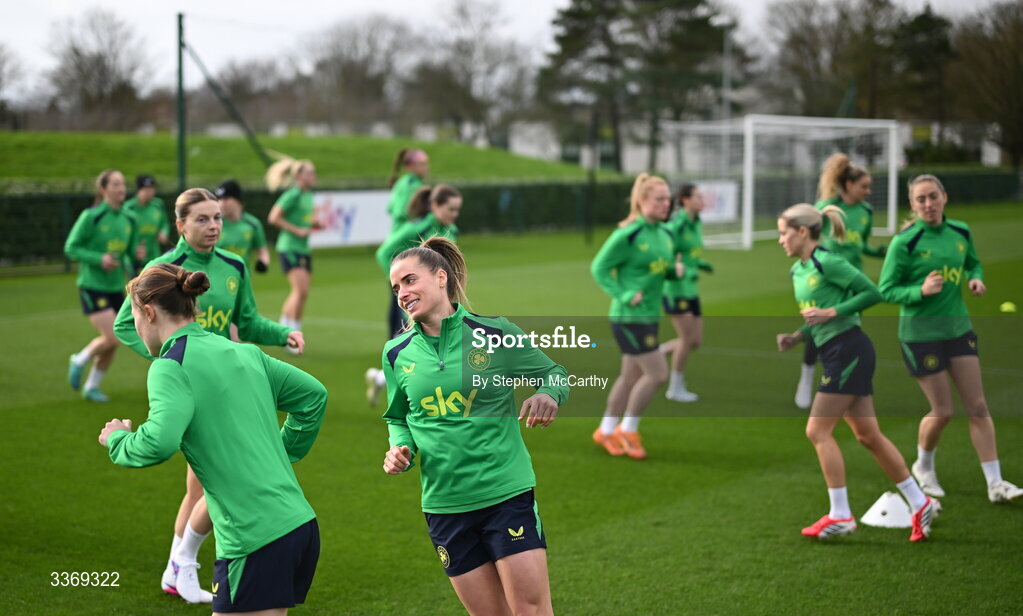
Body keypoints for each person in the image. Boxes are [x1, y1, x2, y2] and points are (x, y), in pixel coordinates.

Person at [99, 263, 326, 615]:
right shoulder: (244, 352)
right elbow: (313, 397)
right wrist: (284, 453)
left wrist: (118, 439)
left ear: (148, 312)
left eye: (134, 317)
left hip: (254, 536)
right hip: (299, 524)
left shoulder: (170, 365)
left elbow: (158, 443)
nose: (135, 328)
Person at [113, 187, 303, 603]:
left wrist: (282, 333)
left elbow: (247, 321)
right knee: (207, 485)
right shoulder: (161, 272)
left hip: (228, 384)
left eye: (217, 217)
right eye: (202, 218)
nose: (214, 225)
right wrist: (171, 364)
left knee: (205, 485)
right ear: (179, 225)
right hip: (195, 389)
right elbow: (125, 326)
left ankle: (178, 566)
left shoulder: (234, 265)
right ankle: (182, 565)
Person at [381, 236, 567, 616]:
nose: (402, 293)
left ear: (440, 278)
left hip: (505, 495)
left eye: (410, 281)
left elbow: (555, 374)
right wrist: (401, 449)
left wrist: (549, 394)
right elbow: (399, 417)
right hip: (444, 506)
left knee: (530, 611)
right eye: (396, 287)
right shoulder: (395, 353)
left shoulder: (494, 333)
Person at [775, 203, 937, 541]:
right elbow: (814, 317)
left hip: (849, 351)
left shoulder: (828, 262)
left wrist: (832, 312)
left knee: (817, 431)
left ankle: (841, 515)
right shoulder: (797, 271)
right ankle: (920, 503)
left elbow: (872, 292)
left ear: (803, 232)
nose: (780, 240)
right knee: (868, 436)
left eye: (784, 232)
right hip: (835, 352)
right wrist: (797, 336)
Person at [878, 174, 1023, 504]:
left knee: (978, 405)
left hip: (958, 329)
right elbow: (885, 290)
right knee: (943, 410)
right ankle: (923, 466)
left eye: (933, 196)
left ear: (945, 196)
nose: (928, 204)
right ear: (912, 205)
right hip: (920, 336)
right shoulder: (906, 243)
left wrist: (976, 279)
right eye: (920, 200)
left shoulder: (961, 231)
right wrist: (920, 290)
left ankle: (995, 483)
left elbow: (973, 263)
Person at [590, 173, 682, 460]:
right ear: (642, 201)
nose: (666, 204)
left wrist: (671, 271)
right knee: (657, 374)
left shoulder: (666, 234)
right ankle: (628, 430)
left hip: (648, 315)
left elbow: (658, 267)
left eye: (668, 198)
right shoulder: (627, 235)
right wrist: (625, 294)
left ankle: (605, 430)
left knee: (630, 375)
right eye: (659, 199)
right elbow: (599, 268)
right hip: (629, 317)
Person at [794, 154, 887, 409]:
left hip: (852, 278)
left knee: (845, 329)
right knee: (818, 327)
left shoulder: (866, 212)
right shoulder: (827, 208)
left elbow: (860, 245)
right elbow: (809, 239)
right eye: (863, 186)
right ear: (848, 185)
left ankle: (839, 381)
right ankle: (806, 376)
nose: (868, 192)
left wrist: (878, 252)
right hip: (826, 278)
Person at [364, 185, 462, 405]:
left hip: (441, 299)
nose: (454, 215)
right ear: (435, 206)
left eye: (457, 210)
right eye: (451, 209)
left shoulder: (451, 230)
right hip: (415, 300)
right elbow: (383, 253)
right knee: (415, 346)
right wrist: (400, 284)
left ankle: (380, 379)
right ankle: (414, 400)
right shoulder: (417, 227)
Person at [64, 169, 142, 402]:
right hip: (92, 285)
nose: (121, 189)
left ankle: (91, 387)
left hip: (115, 287)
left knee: (113, 342)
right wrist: (100, 259)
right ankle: (79, 359)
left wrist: (135, 256)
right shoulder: (92, 216)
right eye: (116, 184)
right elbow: (71, 247)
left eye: (123, 184)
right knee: (113, 337)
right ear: (103, 190)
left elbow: (129, 253)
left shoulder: (130, 219)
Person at [660, 183, 713, 402]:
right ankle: (675, 388)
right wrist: (677, 267)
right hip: (675, 289)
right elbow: (663, 251)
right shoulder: (678, 225)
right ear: (685, 201)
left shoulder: (696, 222)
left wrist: (699, 264)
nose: (702, 200)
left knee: (695, 341)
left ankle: (656, 353)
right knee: (686, 339)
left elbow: (688, 254)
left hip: (691, 289)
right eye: (698, 197)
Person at [267, 156, 319, 349]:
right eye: (310, 172)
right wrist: (297, 230)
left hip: (303, 248)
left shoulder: (308, 195)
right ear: (299, 175)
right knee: (300, 291)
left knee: (302, 293)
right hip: (289, 247)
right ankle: (292, 336)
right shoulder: (293, 194)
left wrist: (312, 225)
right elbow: (273, 217)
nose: (314, 176)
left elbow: (303, 220)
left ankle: (286, 331)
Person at [216, 179, 270, 272]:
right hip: (217, 276)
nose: (221, 204)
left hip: (243, 277)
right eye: (219, 199)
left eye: (226, 199)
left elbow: (262, 251)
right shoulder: (215, 223)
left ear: (238, 201)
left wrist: (263, 262)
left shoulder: (253, 224)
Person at [123, 174, 171, 273]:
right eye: (146, 189)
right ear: (139, 190)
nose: (150, 193)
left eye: (152, 189)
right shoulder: (128, 208)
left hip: (153, 254)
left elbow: (164, 222)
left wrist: (164, 232)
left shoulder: (158, 205)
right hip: (133, 256)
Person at [387, 148, 429, 231]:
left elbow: (390, 208)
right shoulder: (410, 184)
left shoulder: (406, 181)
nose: (427, 167)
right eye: (422, 164)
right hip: (404, 235)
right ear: (409, 166)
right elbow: (401, 211)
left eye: (427, 163)